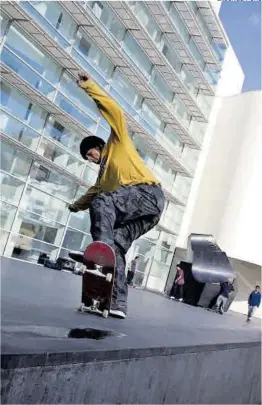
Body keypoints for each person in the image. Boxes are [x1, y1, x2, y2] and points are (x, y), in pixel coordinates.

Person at [68, 73, 165, 319]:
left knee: (103, 202)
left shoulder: (116, 142)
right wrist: (74, 206)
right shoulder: (102, 180)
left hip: (147, 194)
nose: (91, 160)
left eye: (90, 154)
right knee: (118, 248)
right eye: (87, 159)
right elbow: (91, 193)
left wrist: (89, 87)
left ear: (98, 146)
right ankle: (116, 303)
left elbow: (116, 113)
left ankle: (100, 247)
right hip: (146, 215)